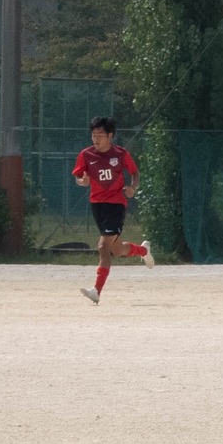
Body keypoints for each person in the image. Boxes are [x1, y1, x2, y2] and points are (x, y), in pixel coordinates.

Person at [72, 116, 152, 304]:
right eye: (93, 135)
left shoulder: (121, 154)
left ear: (110, 136)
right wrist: (82, 181)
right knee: (116, 249)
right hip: (97, 205)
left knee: (103, 246)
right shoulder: (86, 155)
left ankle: (96, 291)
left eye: (100, 135)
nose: (96, 139)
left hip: (116, 205)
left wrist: (133, 187)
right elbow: (79, 177)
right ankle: (143, 250)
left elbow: (135, 172)